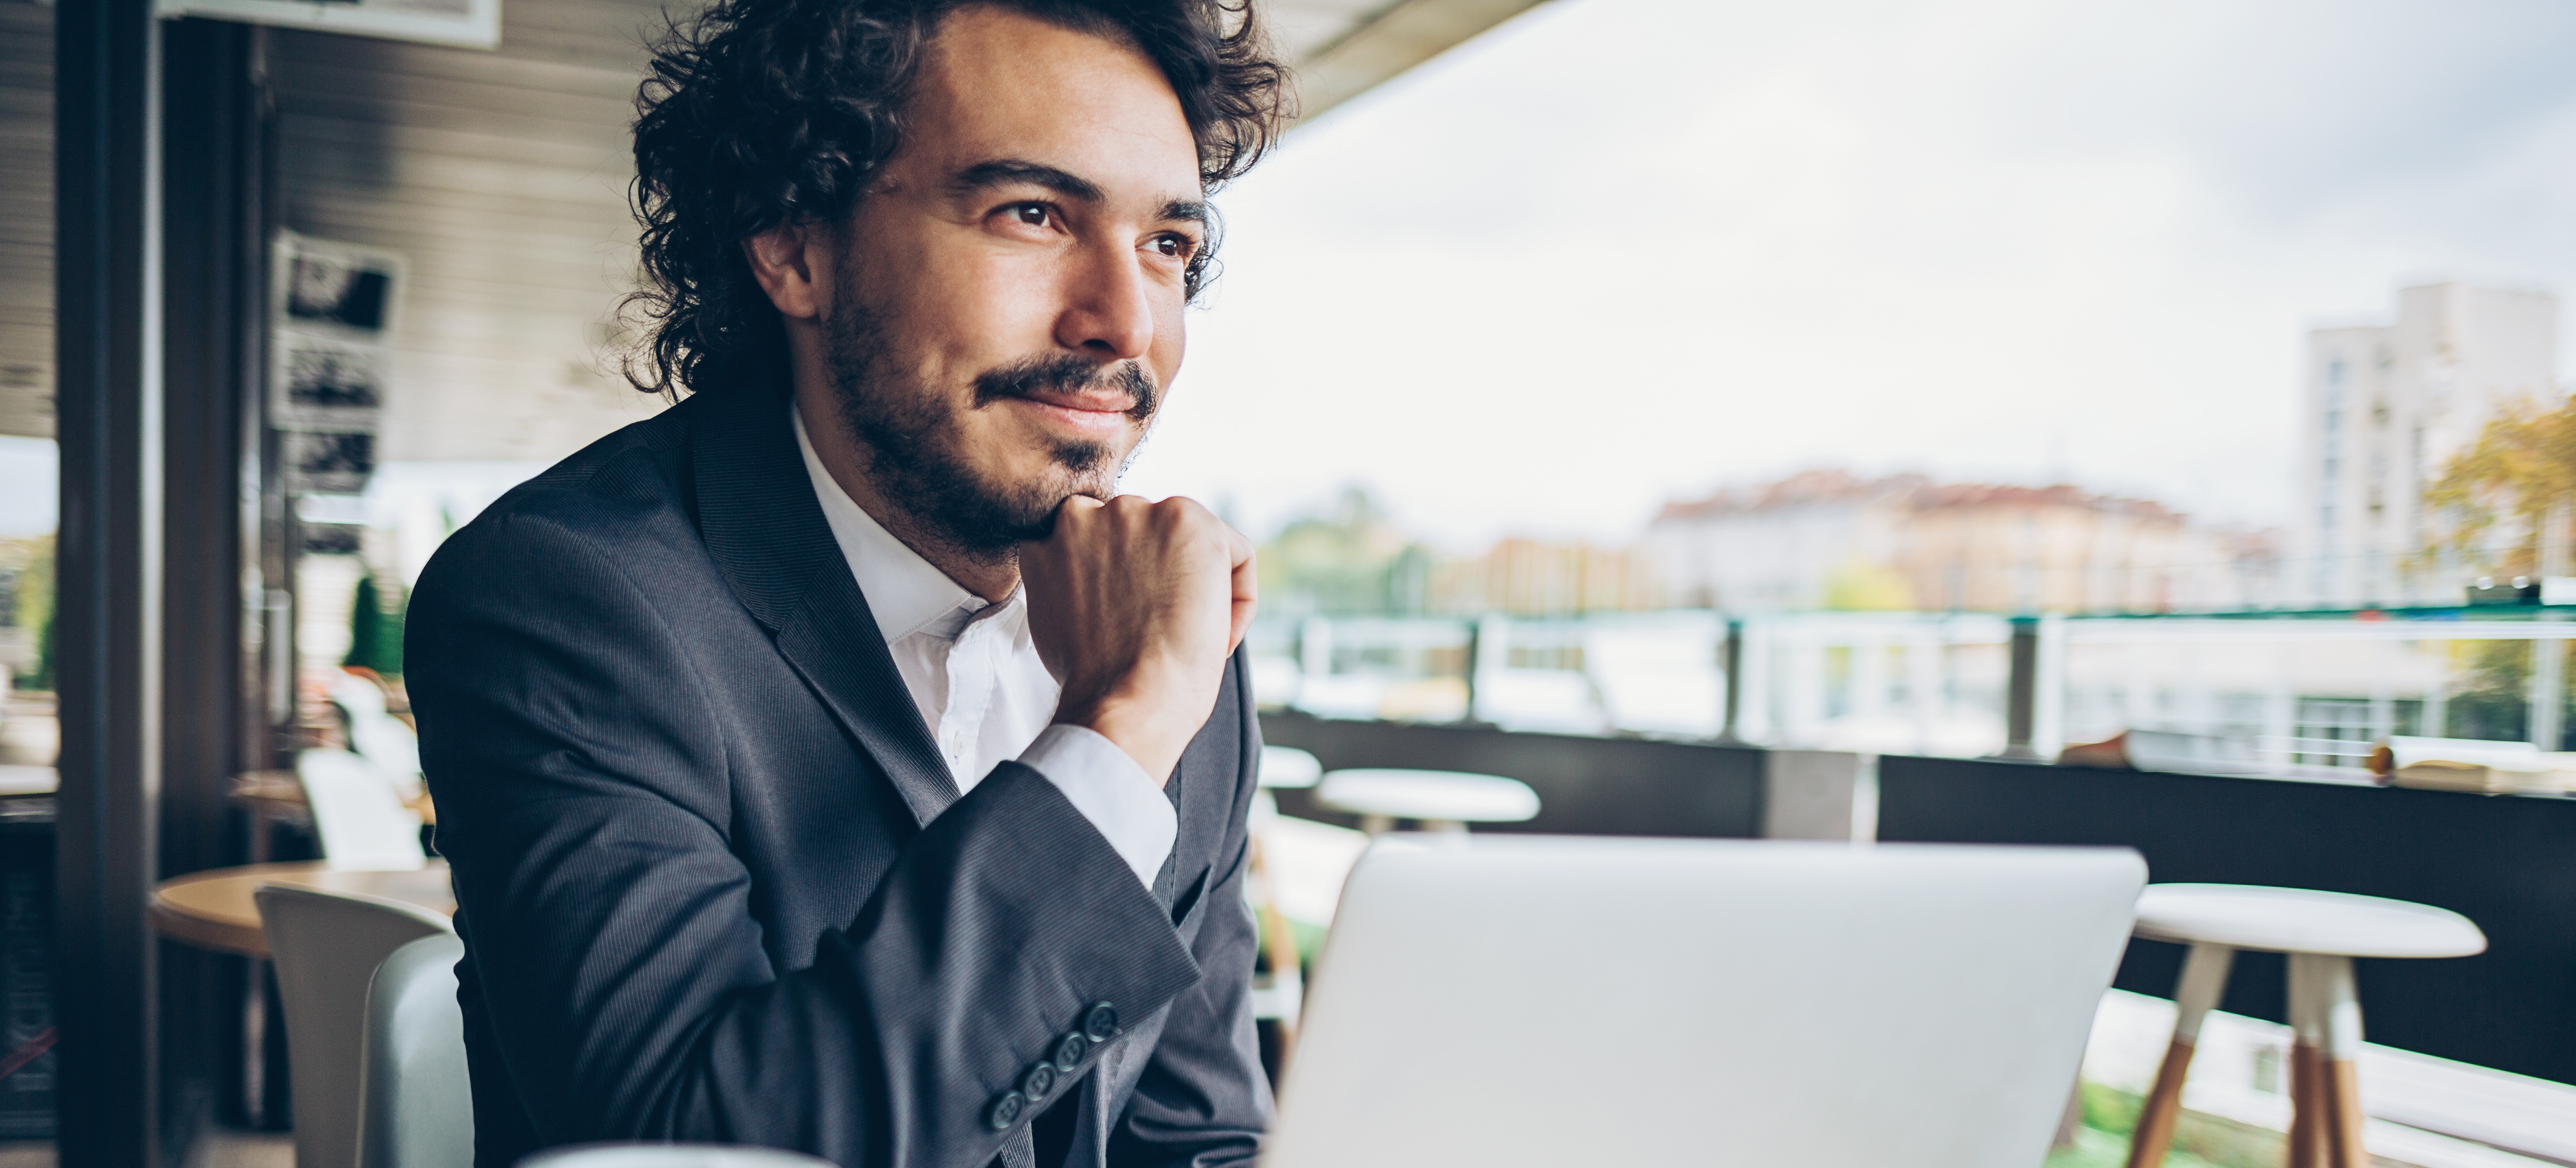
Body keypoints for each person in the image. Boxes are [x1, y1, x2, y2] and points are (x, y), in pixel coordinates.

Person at [402, 2, 1291, 1165]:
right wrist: (1111, 741)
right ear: (792, 244)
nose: (1126, 320)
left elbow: (1196, 1132)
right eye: (1032, 213)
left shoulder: (1176, 643)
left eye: (1168, 245)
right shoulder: (564, 600)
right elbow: (689, 1144)